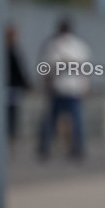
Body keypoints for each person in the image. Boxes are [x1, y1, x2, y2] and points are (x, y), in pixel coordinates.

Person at [37, 18, 90, 161]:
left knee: (54, 121)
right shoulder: (77, 46)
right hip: (68, 89)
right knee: (69, 121)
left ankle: (47, 148)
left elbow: (48, 69)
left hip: (64, 89)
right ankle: (74, 149)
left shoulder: (56, 45)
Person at [5, 24, 30, 151]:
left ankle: (8, 142)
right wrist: (27, 85)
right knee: (11, 118)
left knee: (7, 117)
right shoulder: (12, 51)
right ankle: (9, 142)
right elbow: (20, 71)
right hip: (12, 89)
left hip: (6, 89)